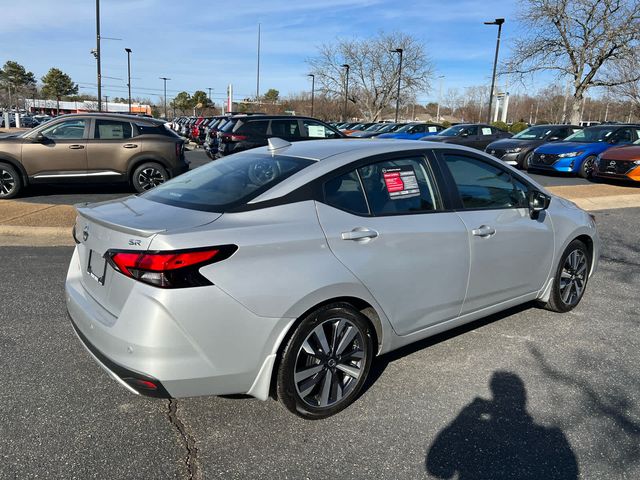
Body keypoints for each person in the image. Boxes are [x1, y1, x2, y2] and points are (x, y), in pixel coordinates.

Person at [426, 371, 578, 479]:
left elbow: (437, 467)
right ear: (523, 400)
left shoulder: (473, 434)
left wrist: (462, 419)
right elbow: (569, 473)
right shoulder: (550, 437)